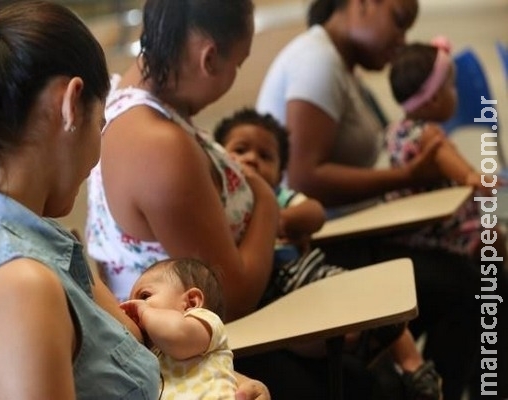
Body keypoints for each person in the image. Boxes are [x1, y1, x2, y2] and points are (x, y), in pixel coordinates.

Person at [0, 3, 270, 399]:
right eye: (101, 125)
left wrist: (218, 383)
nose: (98, 157)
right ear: (71, 104)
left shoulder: (39, 238)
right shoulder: (22, 284)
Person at [85, 0, 376, 397]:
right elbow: (232, 298)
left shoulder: (149, 105)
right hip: (205, 346)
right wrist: (268, 204)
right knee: (368, 380)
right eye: (238, 63)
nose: (234, 74)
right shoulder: (157, 145)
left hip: (241, 317)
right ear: (209, 59)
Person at [255, 0, 487, 398]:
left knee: (478, 266)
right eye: (398, 23)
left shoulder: (338, 64)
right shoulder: (317, 63)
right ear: (361, 5)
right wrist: (406, 177)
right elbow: (306, 177)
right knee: (467, 285)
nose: (402, 41)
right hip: (321, 250)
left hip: (353, 232)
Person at [214, 107, 442, 400]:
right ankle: (370, 350)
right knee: (324, 338)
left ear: (281, 172)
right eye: (240, 150)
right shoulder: (223, 204)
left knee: (376, 302)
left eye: (265, 156)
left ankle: (414, 366)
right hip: (273, 294)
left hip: (308, 271)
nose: (251, 160)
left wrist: (277, 218)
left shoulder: (278, 196)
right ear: (219, 159)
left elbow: (315, 212)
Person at [386, 38, 507, 262]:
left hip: (413, 223)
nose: (455, 93)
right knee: (491, 236)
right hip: (442, 226)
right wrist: (471, 175)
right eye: (451, 86)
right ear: (433, 99)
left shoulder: (395, 130)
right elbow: (445, 155)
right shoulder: (429, 134)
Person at [121, 257, 237, 400]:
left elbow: (175, 334)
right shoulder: (153, 351)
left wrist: (144, 312)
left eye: (144, 296)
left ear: (191, 302)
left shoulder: (206, 321)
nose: (135, 306)